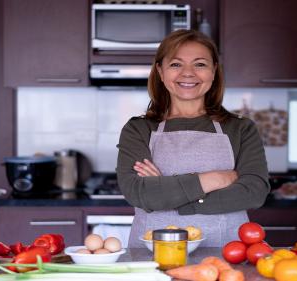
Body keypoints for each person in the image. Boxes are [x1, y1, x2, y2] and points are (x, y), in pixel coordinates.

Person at [116, 29, 271, 248]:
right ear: (160, 71)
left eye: (200, 64)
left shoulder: (240, 128)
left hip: (227, 255)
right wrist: (215, 179)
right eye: (176, 64)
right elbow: (140, 193)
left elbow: (254, 192)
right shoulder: (138, 129)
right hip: (153, 257)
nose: (188, 73)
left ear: (214, 71)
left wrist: (170, 194)